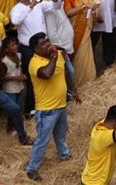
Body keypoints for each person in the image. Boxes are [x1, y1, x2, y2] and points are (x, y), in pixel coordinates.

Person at [25, 33, 81, 181]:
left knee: (61, 134)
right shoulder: (34, 63)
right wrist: (55, 56)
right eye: (43, 43)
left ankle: (64, 155)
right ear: (35, 48)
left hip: (61, 105)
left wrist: (73, 90)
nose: (48, 44)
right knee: (42, 140)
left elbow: (64, 73)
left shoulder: (57, 56)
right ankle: (32, 168)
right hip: (46, 110)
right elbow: (47, 74)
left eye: (47, 41)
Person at [62, 0, 98, 86]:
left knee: (88, 53)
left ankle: (90, 79)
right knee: (80, 56)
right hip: (76, 29)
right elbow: (68, 12)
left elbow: (96, 2)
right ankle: (80, 82)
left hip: (86, 27)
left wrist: (94, 10)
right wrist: (83, 7)